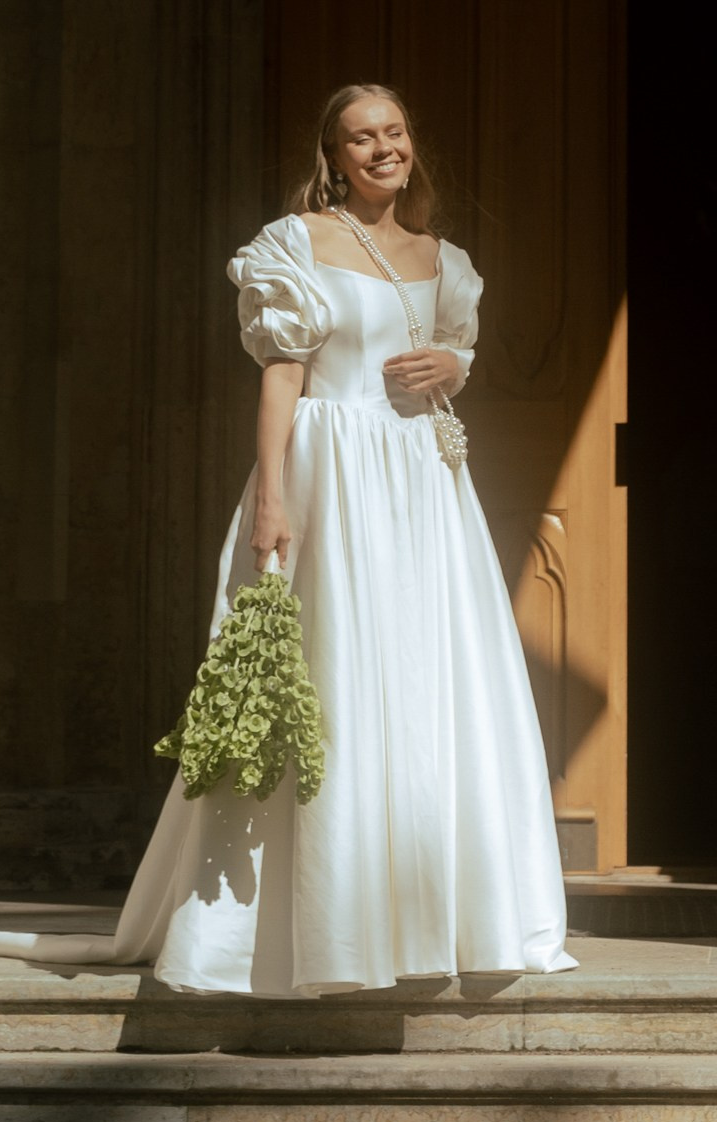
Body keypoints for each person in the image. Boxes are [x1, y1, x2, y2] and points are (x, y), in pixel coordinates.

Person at [98, 83, 574, 995]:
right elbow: (282, 376)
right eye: (363, 136)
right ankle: (323, 927)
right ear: (334, 154)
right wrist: (273, 497)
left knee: (428, 676)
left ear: (411, 144)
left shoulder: (445, 259)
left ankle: (437, 913)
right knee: (335, 672)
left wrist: (455, 365)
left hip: (424, 487)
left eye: (395, 132)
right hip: (332, 471)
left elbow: (447, 353)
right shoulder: (298, 244)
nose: (383, 148)